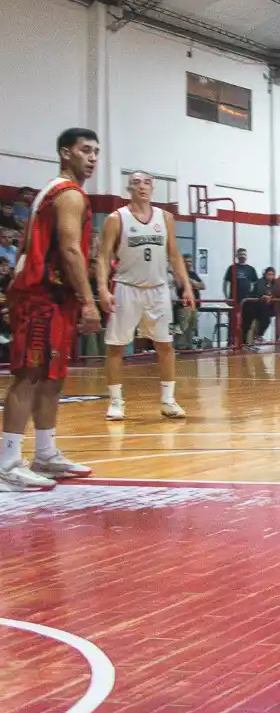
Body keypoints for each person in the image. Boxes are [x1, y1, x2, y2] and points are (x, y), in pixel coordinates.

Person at [1, 129, 102, 491]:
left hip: (55, 298)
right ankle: (7, 462)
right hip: (41, 295)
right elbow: (71, 250)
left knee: (52, 376)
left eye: (96, 152)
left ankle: (45, 454)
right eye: (85, 150)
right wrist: (89, 301)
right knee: (29, 375)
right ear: (65, 153)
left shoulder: (56, 192)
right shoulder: (68, 194)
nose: (92, 157)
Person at [95, 171, 196, 420]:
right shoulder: (116, 218)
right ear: (128, 188)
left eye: (148, 183)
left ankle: (168, 400)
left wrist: (187, 285)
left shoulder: (166, 217)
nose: (143, 187)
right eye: (137, 183)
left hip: (159, 289)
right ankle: (116, 402)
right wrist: (102, 288)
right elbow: (104, 256)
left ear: (153, 189)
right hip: (126, 288)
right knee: (117, 346)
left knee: (165, 345)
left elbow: (174, 254)